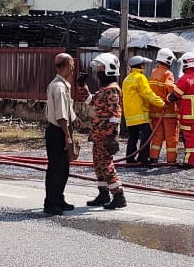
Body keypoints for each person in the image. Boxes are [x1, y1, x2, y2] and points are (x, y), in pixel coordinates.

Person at [86, 53, 126, 210]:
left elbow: (115, 114)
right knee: (98, 165)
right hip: (98, 135)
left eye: (100, 68)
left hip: (105, 135)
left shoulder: (112, 90)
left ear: (109, 69)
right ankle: (103, 194)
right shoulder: (104, 89)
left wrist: (111, 136)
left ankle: (119, 196)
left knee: (106, 165)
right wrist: (83, 86)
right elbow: (91, 101)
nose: (98, 71)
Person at [42, 52, 78, 215]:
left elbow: (67, 111)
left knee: (63, 168)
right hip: (58, 131)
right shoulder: (60, 87)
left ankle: (58, 198)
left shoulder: (59, 84)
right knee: (56, 168)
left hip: (58, 130)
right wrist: (67, 136)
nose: (73, 68)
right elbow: (61, 115)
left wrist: (75, 120)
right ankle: (51, 203)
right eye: (72, 65)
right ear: (67, 66)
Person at [122, 55, 165, 165]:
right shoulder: (140, 77)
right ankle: (143, 159)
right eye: (143, 65)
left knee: (133, 136)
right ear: (140, 66)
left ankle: (130, 159)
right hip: (140, 114)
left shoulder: (127, 79)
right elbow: (147, 94)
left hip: (129, 115)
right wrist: (161, 103)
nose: (144, 67)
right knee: (147, 134)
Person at [147, 48, 183, 166]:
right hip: (168, 112)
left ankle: (153, 158)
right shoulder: (168, 73)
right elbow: (170, 88)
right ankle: (171, 160)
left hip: (155, 111)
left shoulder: (153, 72)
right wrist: (177, 89)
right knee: (171, 137)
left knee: (157, 137)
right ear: (168, 60)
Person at [174, 51, 194, 169]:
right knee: (193, 136)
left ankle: (190, 162)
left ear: (185, 64)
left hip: (187, 115)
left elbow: (174, 96)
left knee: (189, 138)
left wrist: (167, 97)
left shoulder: (184, 79)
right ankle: (193, 158)